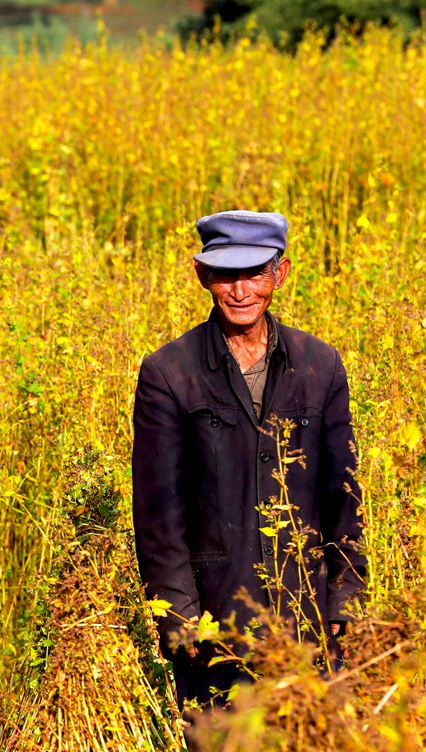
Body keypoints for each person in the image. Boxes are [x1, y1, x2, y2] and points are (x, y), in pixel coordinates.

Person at [131, 211, 366, 707]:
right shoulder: (169, 372)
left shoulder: (320, 365)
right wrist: (179, 616)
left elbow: (342, 492)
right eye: (225, 275)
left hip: (308, 619)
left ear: (279, 274)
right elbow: (158, 513)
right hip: (216, 626)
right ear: (202, 277)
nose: (241, 291)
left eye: (255, 273)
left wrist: (346, 592)